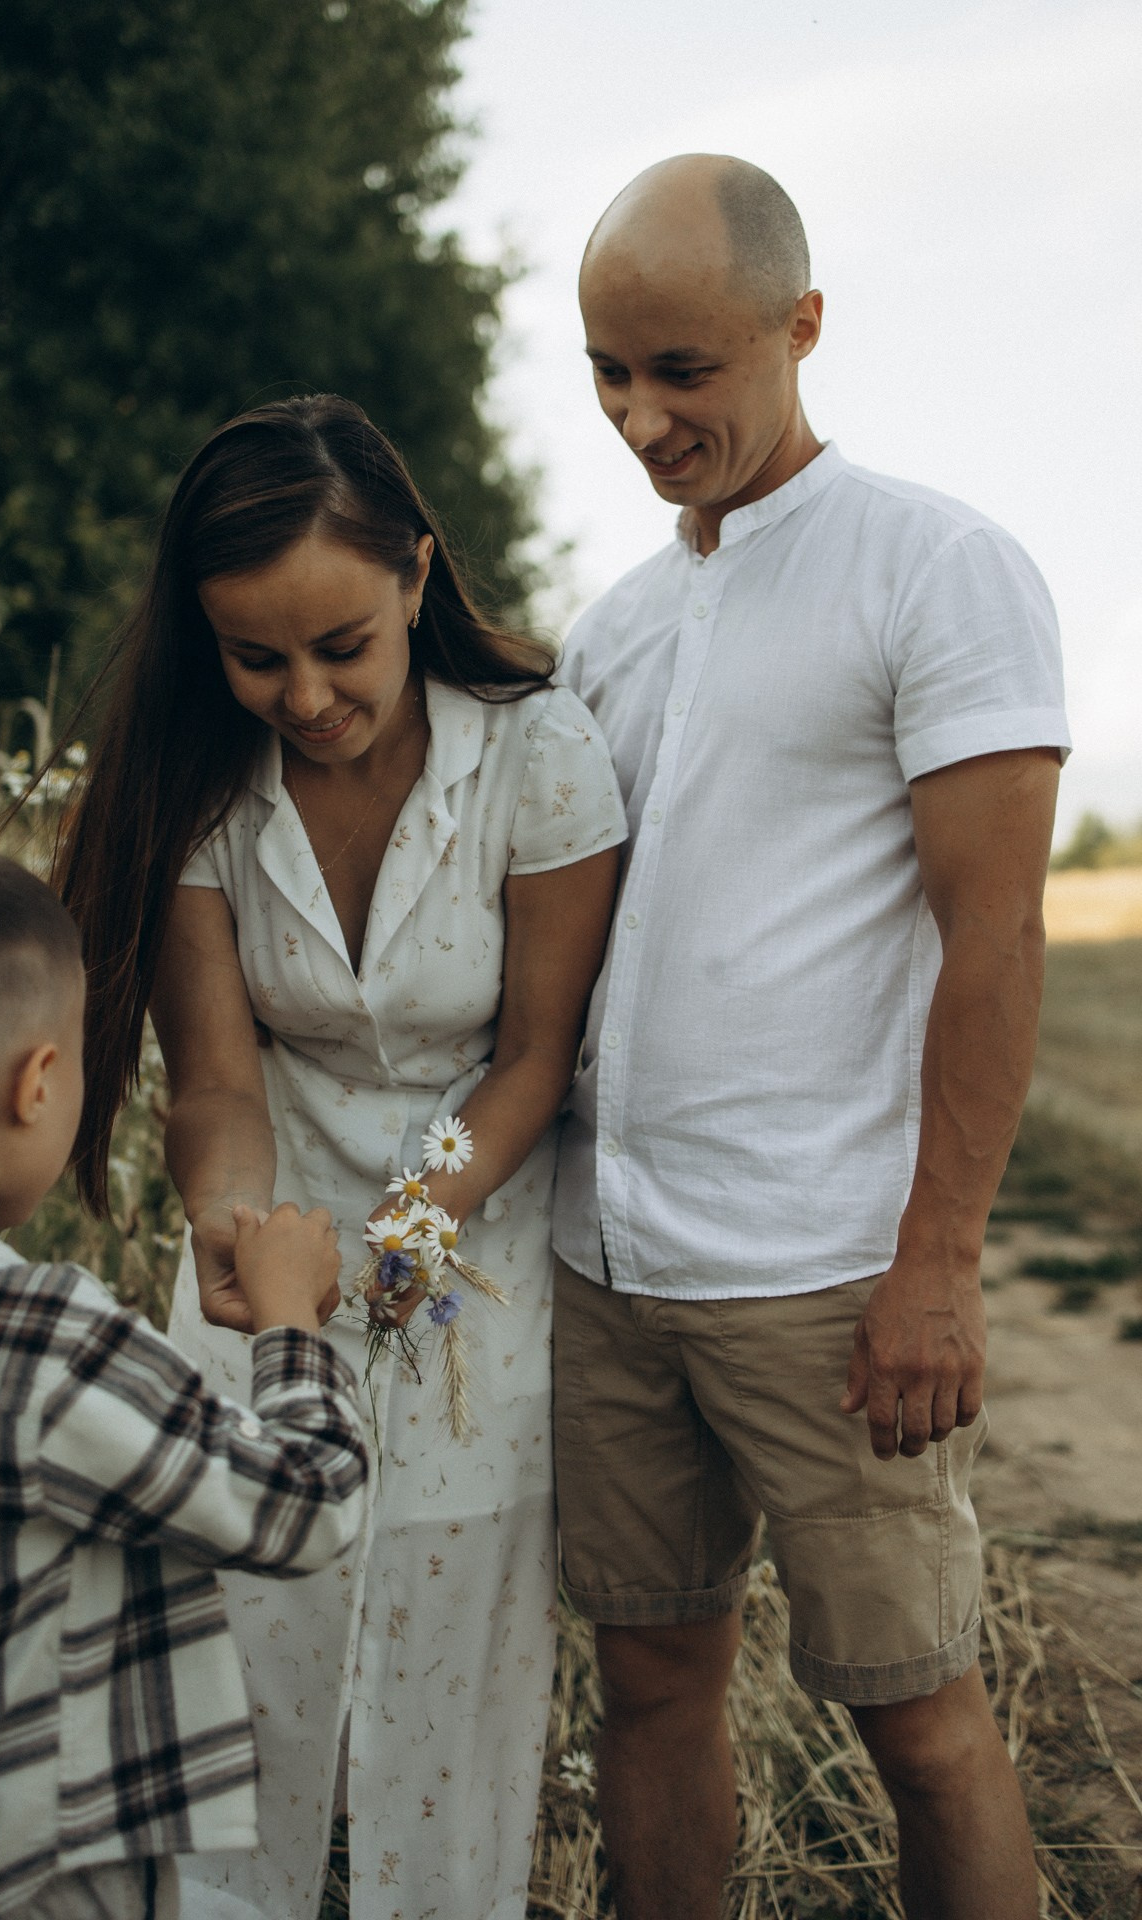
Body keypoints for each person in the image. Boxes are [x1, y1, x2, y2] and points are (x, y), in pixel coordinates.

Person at [550, 155, 1070, 1920]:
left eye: (683, 371)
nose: (641, 417)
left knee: (920, 1723)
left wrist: (938, 1262)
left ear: (803, 327)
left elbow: (995, 940)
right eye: (610, 373)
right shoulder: (610, 631)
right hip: (604, 1263)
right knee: (650, 1683)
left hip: (826, 1276)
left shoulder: (939, 567)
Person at [52, 395, 626, 1920]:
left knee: (455, 1684)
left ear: (417, 576)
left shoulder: (541, 756)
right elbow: (220, 1081)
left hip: (476, 1254)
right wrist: (246, 1240)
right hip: (269, 1261)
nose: (303, 695)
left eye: (340, 648)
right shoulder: (204, 793)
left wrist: (415, 1230)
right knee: (243, 1662)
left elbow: (535, 1060)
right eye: (257, 658)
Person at [0, 830, 368, 1920]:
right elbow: (301, 1508)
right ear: (38, 1084)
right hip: (25, 1884)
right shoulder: (40, 1345)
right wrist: (287, 1327)